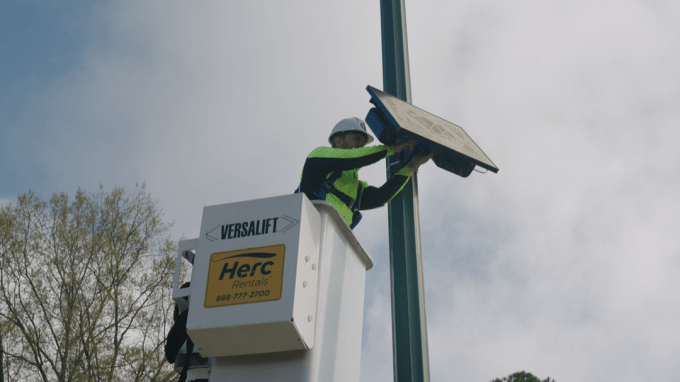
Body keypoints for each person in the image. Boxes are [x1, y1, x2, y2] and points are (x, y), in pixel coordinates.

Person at [295, 117, 433, 229]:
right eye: (356, 139)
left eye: (363, 143)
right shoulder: (319, 155)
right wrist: (391, 149)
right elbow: (353, 158)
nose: (361, 145)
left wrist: (412, 166)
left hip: (334, 237)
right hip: (307, 224)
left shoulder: (353, 186)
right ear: (338, 140)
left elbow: (380, 197)